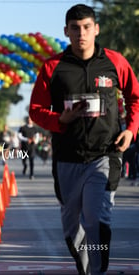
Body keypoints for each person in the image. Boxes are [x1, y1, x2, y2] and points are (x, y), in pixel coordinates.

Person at [29, 4, 139, 275]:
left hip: (106, 153)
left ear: (96, 29)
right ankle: (86, 267)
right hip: (67, 158)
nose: (82, 33)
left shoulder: (115, 62)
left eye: (87, 27)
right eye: (75, 28)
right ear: (66, 31)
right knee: (72, 227)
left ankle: (98, 272)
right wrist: (60, 121)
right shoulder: (53, 67)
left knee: (97, 220)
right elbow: (35, 110)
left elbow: (135, 97)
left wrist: (131, 129)